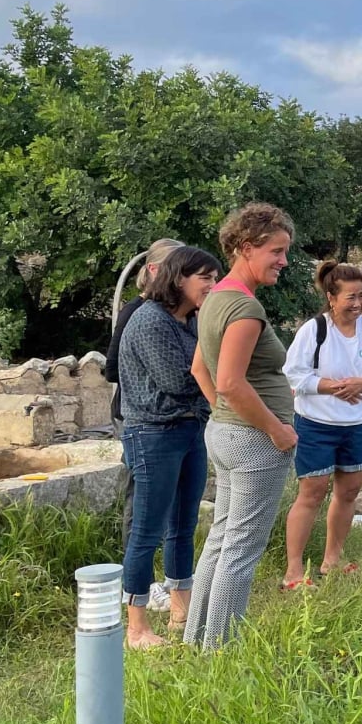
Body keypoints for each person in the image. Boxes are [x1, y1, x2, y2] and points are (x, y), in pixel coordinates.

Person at [184, 203, 298, 650]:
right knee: (241, 550)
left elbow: (200, 369)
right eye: (277, 251)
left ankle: (198, 641)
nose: (284, 261)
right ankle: (221, 651)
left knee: (221, 540)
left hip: (227, 435)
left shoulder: (214, 299)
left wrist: (226, 414)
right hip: (254, 443)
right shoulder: (245, 309)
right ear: (247, 248)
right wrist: (276, 429)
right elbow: (229, 380)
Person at [116, 246, 220, 649]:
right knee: (147, 529)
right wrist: (221, 374)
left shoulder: (190, 320)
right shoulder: (149, 321)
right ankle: (136, 626)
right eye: (204, 278)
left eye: (215, 278)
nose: (212, 286)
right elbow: (177, 381)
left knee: (183, 524)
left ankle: (181, 609)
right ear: (179, 280)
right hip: (154, 434)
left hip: (190, 429)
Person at [280, 261, 362, 586]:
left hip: (356, 425)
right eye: (350, 297)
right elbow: (293, 374)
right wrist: (332, 386)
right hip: (315, 424)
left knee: (349, 492)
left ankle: (332, 560)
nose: (357, 303)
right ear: (331, 297)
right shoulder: (313, 331)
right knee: (312, 493)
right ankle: (294, 571)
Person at [105, 237, 184, 610]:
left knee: (172, 503)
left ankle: (172, 582)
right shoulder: (139, 312)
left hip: (175, 420)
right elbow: (112, 368)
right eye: (177, 268)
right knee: (142, 501)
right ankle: (136, 584)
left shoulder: (181, 314)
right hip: (141, 416)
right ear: (154, 271)